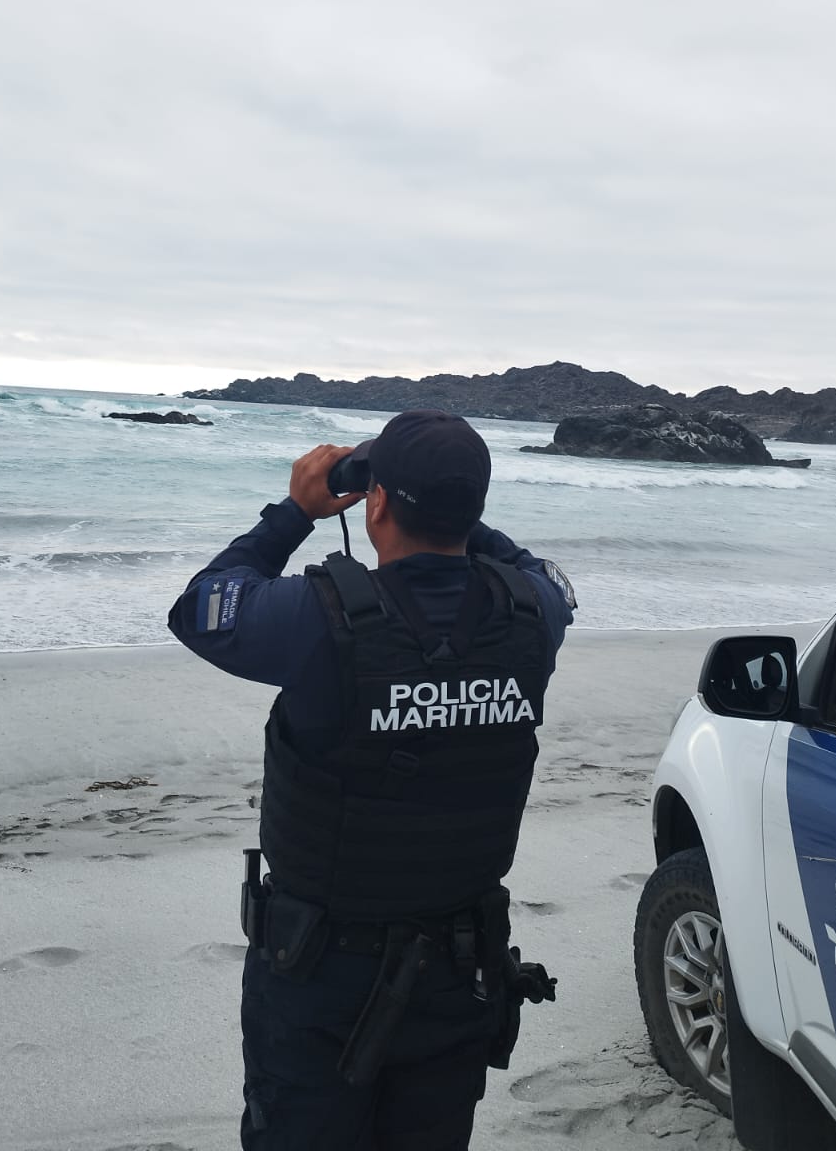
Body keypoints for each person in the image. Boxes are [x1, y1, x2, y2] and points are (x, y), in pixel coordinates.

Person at [167, 409, 574, 1150]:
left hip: (321, 974)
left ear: (375, 503)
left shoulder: (320, 621)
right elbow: (538, 569)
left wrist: (295, 512)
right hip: (459, 967)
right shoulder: (533, 613)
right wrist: (453, 511)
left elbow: (201, 606)